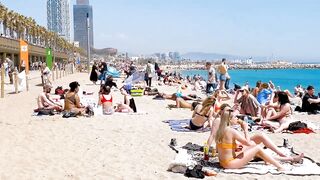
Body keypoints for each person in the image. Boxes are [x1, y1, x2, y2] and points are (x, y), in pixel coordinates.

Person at [215, 105, 304, 171]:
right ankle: (280, 166)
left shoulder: (221, 129)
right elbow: (248, 144)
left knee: (258, 150)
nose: (237, 119)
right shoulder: (231, 131)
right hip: (230, 163)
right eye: (235, 117)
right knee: (257, 148)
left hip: (225, 162)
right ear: (230, 120)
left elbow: (220, 148)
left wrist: (234, 147)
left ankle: (290, 159)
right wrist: (245, 129)